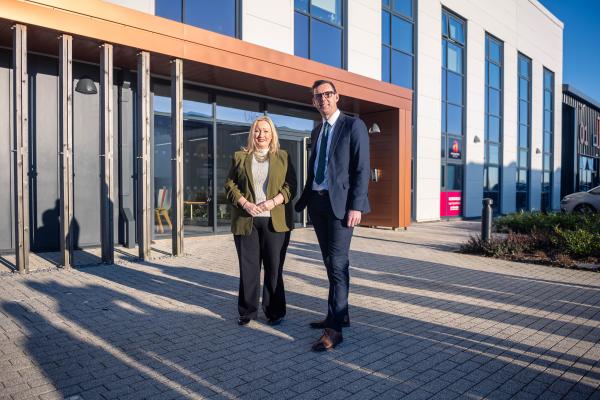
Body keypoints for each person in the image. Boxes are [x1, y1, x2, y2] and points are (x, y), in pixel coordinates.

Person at [295, 79, 370, 351]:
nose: (323, 99)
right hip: (317, 204)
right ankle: (340, 313)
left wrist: (357, 206)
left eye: (327, 94)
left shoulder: (353, 126)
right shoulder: (316, 132)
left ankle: (334, 330)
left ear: (337, 97)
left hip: (341, 207)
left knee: (337, 264)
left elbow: (362, 168)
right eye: (318, 96)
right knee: (331, 262)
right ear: (314, 102)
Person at [224, 116, 296, 326]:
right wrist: (245, 204)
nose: (261, 135)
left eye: (265, 131)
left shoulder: (283, 157)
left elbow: (291, 186)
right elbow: (229, 185)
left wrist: (273, 202)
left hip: (275, 222)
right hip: (247, 220)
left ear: (272, 134)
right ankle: (247, 312)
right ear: (251, 134)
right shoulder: (239, 156)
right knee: (249, 268)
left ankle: (274, 312)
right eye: (257, 131)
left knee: (274, 268)